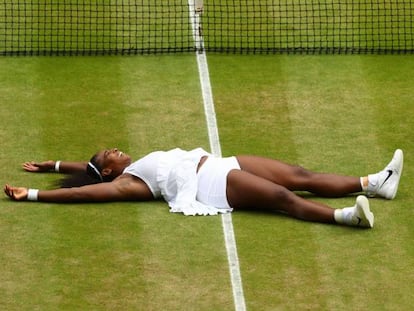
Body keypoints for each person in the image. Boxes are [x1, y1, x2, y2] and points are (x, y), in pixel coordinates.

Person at [4, 147, 404, 229]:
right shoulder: (126, 184)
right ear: (111, 173)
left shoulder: (116, 167)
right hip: (208, 184)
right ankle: (347, 218)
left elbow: (87, 172)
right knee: (284, 199)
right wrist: (34, 194)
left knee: (299, 174)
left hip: (217, 163)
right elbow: (83, 190)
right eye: (110, 154)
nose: (115, 149)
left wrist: (52, 165)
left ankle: (374, 184)